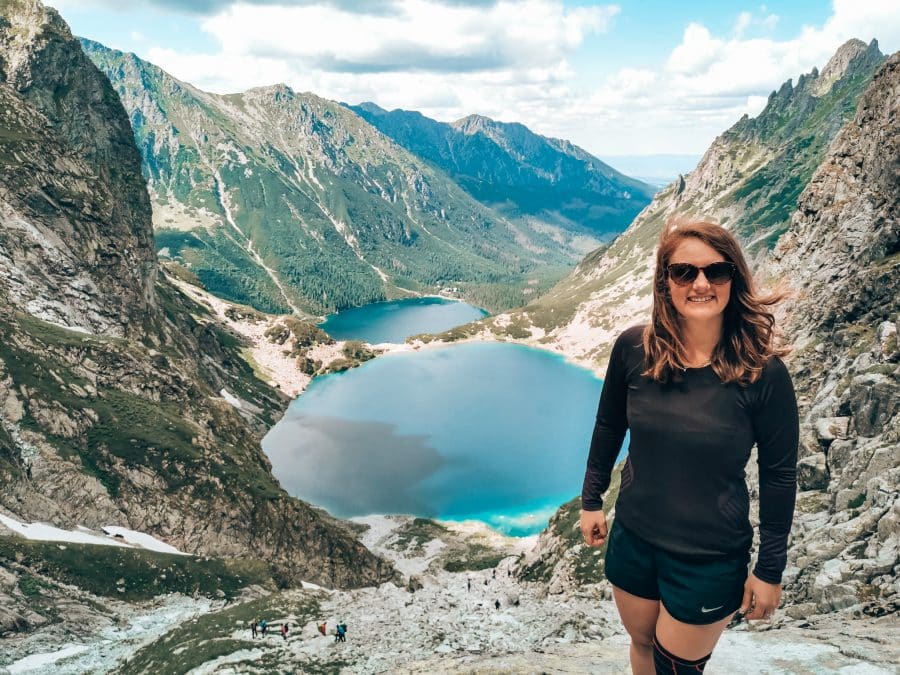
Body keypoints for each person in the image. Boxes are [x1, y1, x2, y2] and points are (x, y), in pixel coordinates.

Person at [579, 220, 798, 675]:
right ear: (666, 283)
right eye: (684, 273)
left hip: (709, 558)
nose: (700, 284)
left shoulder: (763, 374)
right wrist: (591, 500)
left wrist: (769, 568)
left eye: (716, 272)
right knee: (641, 647)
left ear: (733, 279)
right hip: (634, 541)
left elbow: (779, 474)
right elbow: (609, 425)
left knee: (676, 668)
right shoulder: (632, 350)